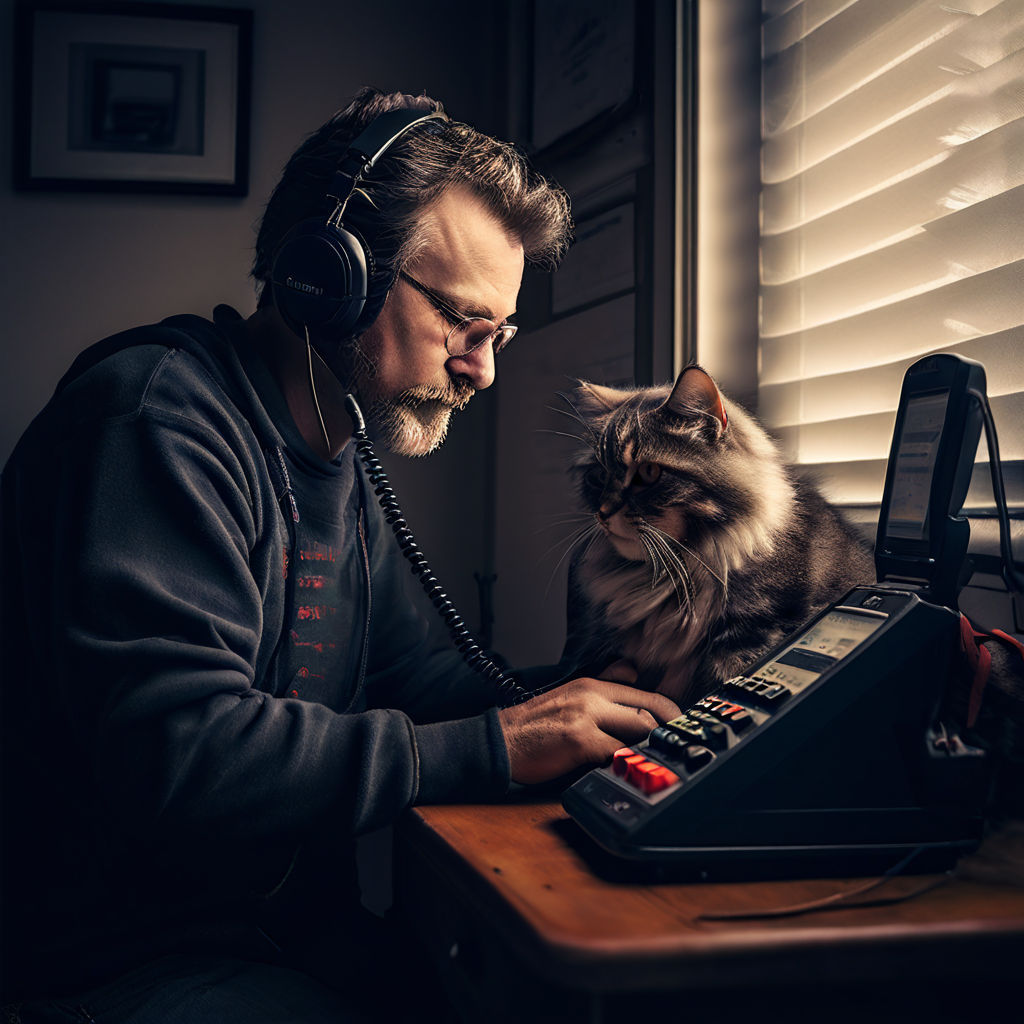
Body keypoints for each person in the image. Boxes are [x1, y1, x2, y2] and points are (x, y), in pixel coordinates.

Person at [0, 88, 680, 1021]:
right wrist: (497, 747)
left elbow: (419, 678)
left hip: (285, 937)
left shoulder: (335, 447)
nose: (484, 368)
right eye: (463, 322)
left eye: (500, 333)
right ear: (330, 273)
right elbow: (183, 751)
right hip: (120, 962)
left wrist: (598, 694)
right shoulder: (152, 420)